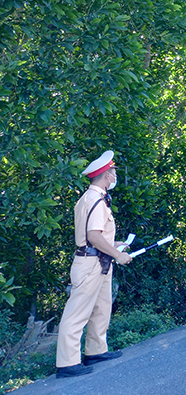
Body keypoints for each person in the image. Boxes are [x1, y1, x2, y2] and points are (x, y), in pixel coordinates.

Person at [55, 150, 132, 378]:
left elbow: (96, 236)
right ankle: (67, 363)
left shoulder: (90, 198)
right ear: (107, 175)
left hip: (98, 261)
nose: (115, 176)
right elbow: (94, 236)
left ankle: (96, 351)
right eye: (113, 172)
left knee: (101, 307)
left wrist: (115, 245)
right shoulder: (96, 200)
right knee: (77, 313)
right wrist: (117, 255)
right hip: (91, 263)